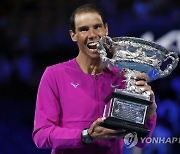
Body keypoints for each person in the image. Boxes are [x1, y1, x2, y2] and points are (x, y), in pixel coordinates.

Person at [32, 4, 157, 154]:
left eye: (97, 27)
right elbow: (41, 135)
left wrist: (149, 113)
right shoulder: (54, 75)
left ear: (106, 29)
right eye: (84, 29)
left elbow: (140, 141)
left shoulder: (123, 77)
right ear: (73, 35)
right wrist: (86, 136)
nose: (92, 34)